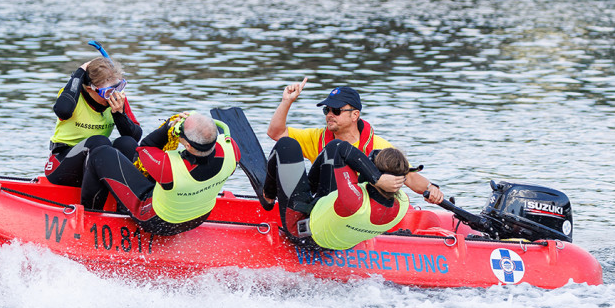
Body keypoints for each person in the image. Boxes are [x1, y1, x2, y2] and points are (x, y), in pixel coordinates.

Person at [266, 78, 444, 204]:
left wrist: (431, 189)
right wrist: (286, 101)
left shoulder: (378, 146)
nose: (329, 114)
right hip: (321, 207)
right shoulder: (316, 137)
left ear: (355, 115)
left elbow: (408, 176)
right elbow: (276, 133)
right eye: (326, 110)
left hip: (356, 214)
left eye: (336, 110)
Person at [80, 112, 240, 236]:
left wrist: (167, 127)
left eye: (180, 132)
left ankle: (89, 219)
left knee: (101, 154)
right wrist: (192, 124)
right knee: (126, 144)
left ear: (189, 146)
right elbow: (207, 133)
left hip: (157, 221)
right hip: (197, 218)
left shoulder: (168, 167)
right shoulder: (232, 149)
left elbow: (144, 148)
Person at [262, 136, 411, 250]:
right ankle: (304, 190)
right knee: (332, 148)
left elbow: (341, 147)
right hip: (341, 238)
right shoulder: (403, 203)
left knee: (287, 145)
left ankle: (267, 196)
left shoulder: (353, 200)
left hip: (303, 233)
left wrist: (376, 178)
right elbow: (336, 149)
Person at [45, 56, 141, 186]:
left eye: (118, 87)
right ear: (90, 88)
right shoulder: (72, 96)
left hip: (95, 160)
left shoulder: (118, 99)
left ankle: (132, 197)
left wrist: (119, 114)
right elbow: (63, 111)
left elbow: (134, 137)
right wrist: (79, 73)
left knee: (126, 143)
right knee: (99, 142)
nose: (113, 95)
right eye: (107, 92)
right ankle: (90, 204)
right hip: (62, 163)